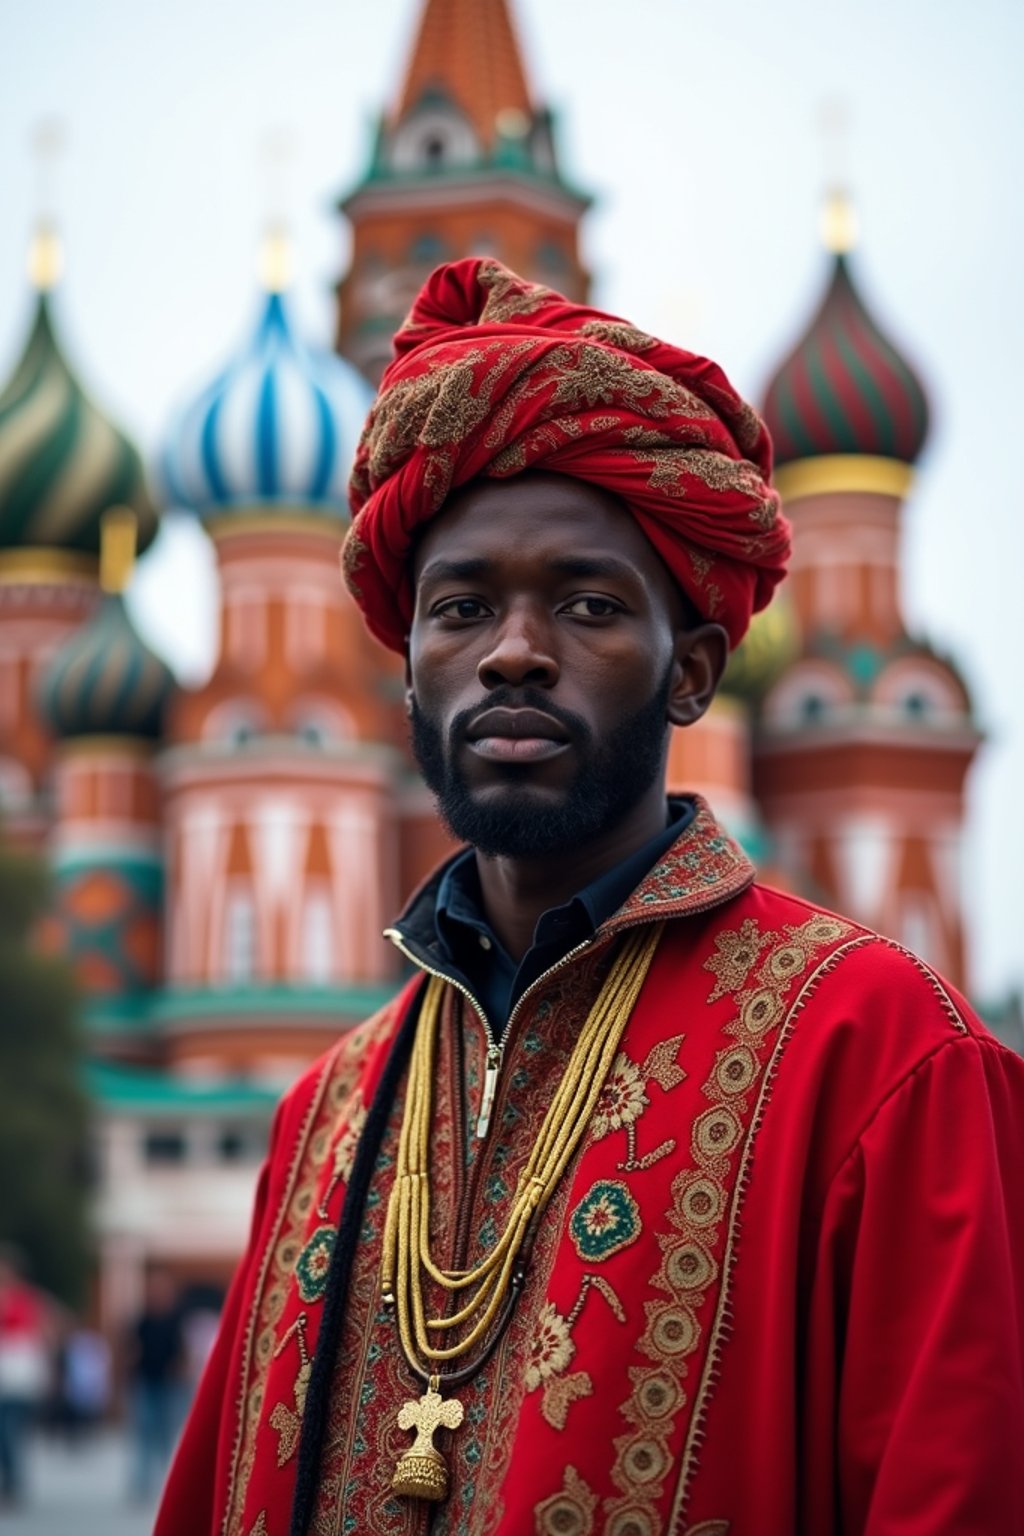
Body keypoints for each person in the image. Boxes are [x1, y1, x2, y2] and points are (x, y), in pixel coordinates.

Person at [156, 259, 1024, 1536]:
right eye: (458, 608)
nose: (512, 648)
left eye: (586, 602)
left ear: (695, 672)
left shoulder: (879, 1054)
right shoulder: (329, 1112)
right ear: (407, 678)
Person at [125, 1267, 186, 1502]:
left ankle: (168, 1484)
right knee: (143, 1434)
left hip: (169, 1385)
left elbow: (183, 1351)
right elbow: (131, 1349)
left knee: (166, 1435)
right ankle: (141, 1483)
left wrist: (181, 1369)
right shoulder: (142, 1319)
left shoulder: (176, 1319)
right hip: (146, 1382)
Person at [0, 1245, 51, 1506]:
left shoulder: (26, 1298)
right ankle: (10, 1479)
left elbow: (40, 1332)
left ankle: (13, 1482)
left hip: (19, 1374)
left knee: (9, 1430)